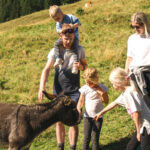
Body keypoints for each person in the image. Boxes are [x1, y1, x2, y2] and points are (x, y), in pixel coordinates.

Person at [38, 24, 87, 150]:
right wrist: (41, 87)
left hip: (75, 91)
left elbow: (87, 67)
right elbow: (46, 69)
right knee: (59, 121)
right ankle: (61, 148)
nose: (69, 41)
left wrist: (82, 68)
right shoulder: (55, 50)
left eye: (71, 38)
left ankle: (72, 148)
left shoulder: (79, 49)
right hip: (58, 92)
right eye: (66, 39)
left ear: (74, 36)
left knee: (72, 120)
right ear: (61, 36)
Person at [94, 67, 150, 150]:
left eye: (114, 83)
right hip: (141, 125)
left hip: (147, 126)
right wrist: (101, 112)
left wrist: (138, 132)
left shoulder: (130, 93)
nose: (113, 86)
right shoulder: (125, 93)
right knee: (130, 147)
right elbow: (114, 103)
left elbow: (136, 113)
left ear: (120, 82)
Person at [77, 68, 109, 150]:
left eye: (90, 82)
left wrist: (102, 92)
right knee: (86, 137)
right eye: (86, 81)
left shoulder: (102, 87)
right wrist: (78, 110)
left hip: (98, 117)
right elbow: (81, 101)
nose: (87, 83)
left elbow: (106, 101)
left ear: (95, 80)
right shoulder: (85, 88)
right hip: (87, 117)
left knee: (95, 138)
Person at [125, 12, 150, 108]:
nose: (135, 29)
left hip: (148, 72)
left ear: (144, 24)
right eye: (133, 27)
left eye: (137, 26)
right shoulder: (132, 38)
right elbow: (129, 57)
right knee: (139, 104)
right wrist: (126, 73)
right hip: (135, 74)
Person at [49, 5, 81, 74]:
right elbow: (58, 31)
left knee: (75, 49)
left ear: (61, 13)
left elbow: (79, 23)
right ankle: (59, 58)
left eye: (58, 18)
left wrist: (73, 26)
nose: (57, 20)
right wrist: (61, 31)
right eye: (55, 19)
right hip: (64, 38)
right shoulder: (58, 23)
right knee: (56, 44)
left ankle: (75, 65)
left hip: (74, 38)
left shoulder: (70, 17)